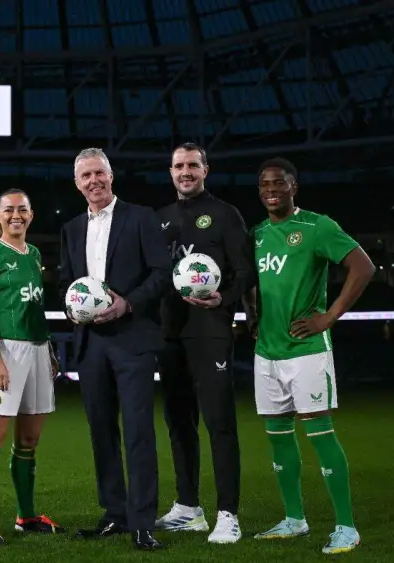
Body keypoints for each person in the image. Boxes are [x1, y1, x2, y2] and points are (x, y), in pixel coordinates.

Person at [243, 157, 374, 555]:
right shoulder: (258, 233)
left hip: (306, 351)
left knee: (320, 433)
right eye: (264, 183)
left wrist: (329, 316)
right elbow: (251, 283)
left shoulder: (317, 226)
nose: (271, 189)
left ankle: (346, 527)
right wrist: (251, 316)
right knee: (278, 436)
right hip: (267, 352)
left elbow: (363, 267)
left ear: (293, 186)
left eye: (278, 183)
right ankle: (294, 519)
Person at [58, 148, 170, 551]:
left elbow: (162, 273)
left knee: (139, 431)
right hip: (90, 345)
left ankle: (143, 522)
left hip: (133, 340)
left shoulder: (141, 217)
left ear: (111, 175)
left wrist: (128, 303)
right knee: (102, 432)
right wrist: (72, 308)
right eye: (86, 175)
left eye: (99, 173)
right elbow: (66, 281)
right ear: (77, 183)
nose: (94, 181)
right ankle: (114, 513)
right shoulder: (71, 228)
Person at [154, 143, 254, 543]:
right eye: (179, 166)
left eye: (193, 165)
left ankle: (228, 514)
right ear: (171, 172)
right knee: (178, 423)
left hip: (210, 330)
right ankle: (188, 507)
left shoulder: (227, 215)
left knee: (219, 423)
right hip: (170, 334)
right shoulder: (160, 220)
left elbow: (245, 271)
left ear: (206, 170)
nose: (185, 172)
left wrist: (223, 300)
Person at [0, 189, 66, 546]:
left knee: (28, 440)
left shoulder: (34, 254)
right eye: (8, 210)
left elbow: (35, 308)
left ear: (31, 214)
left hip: (38, 350)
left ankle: (26, 516)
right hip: (5, 352)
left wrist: (50, 350)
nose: (15, 216)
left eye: (22, 210)